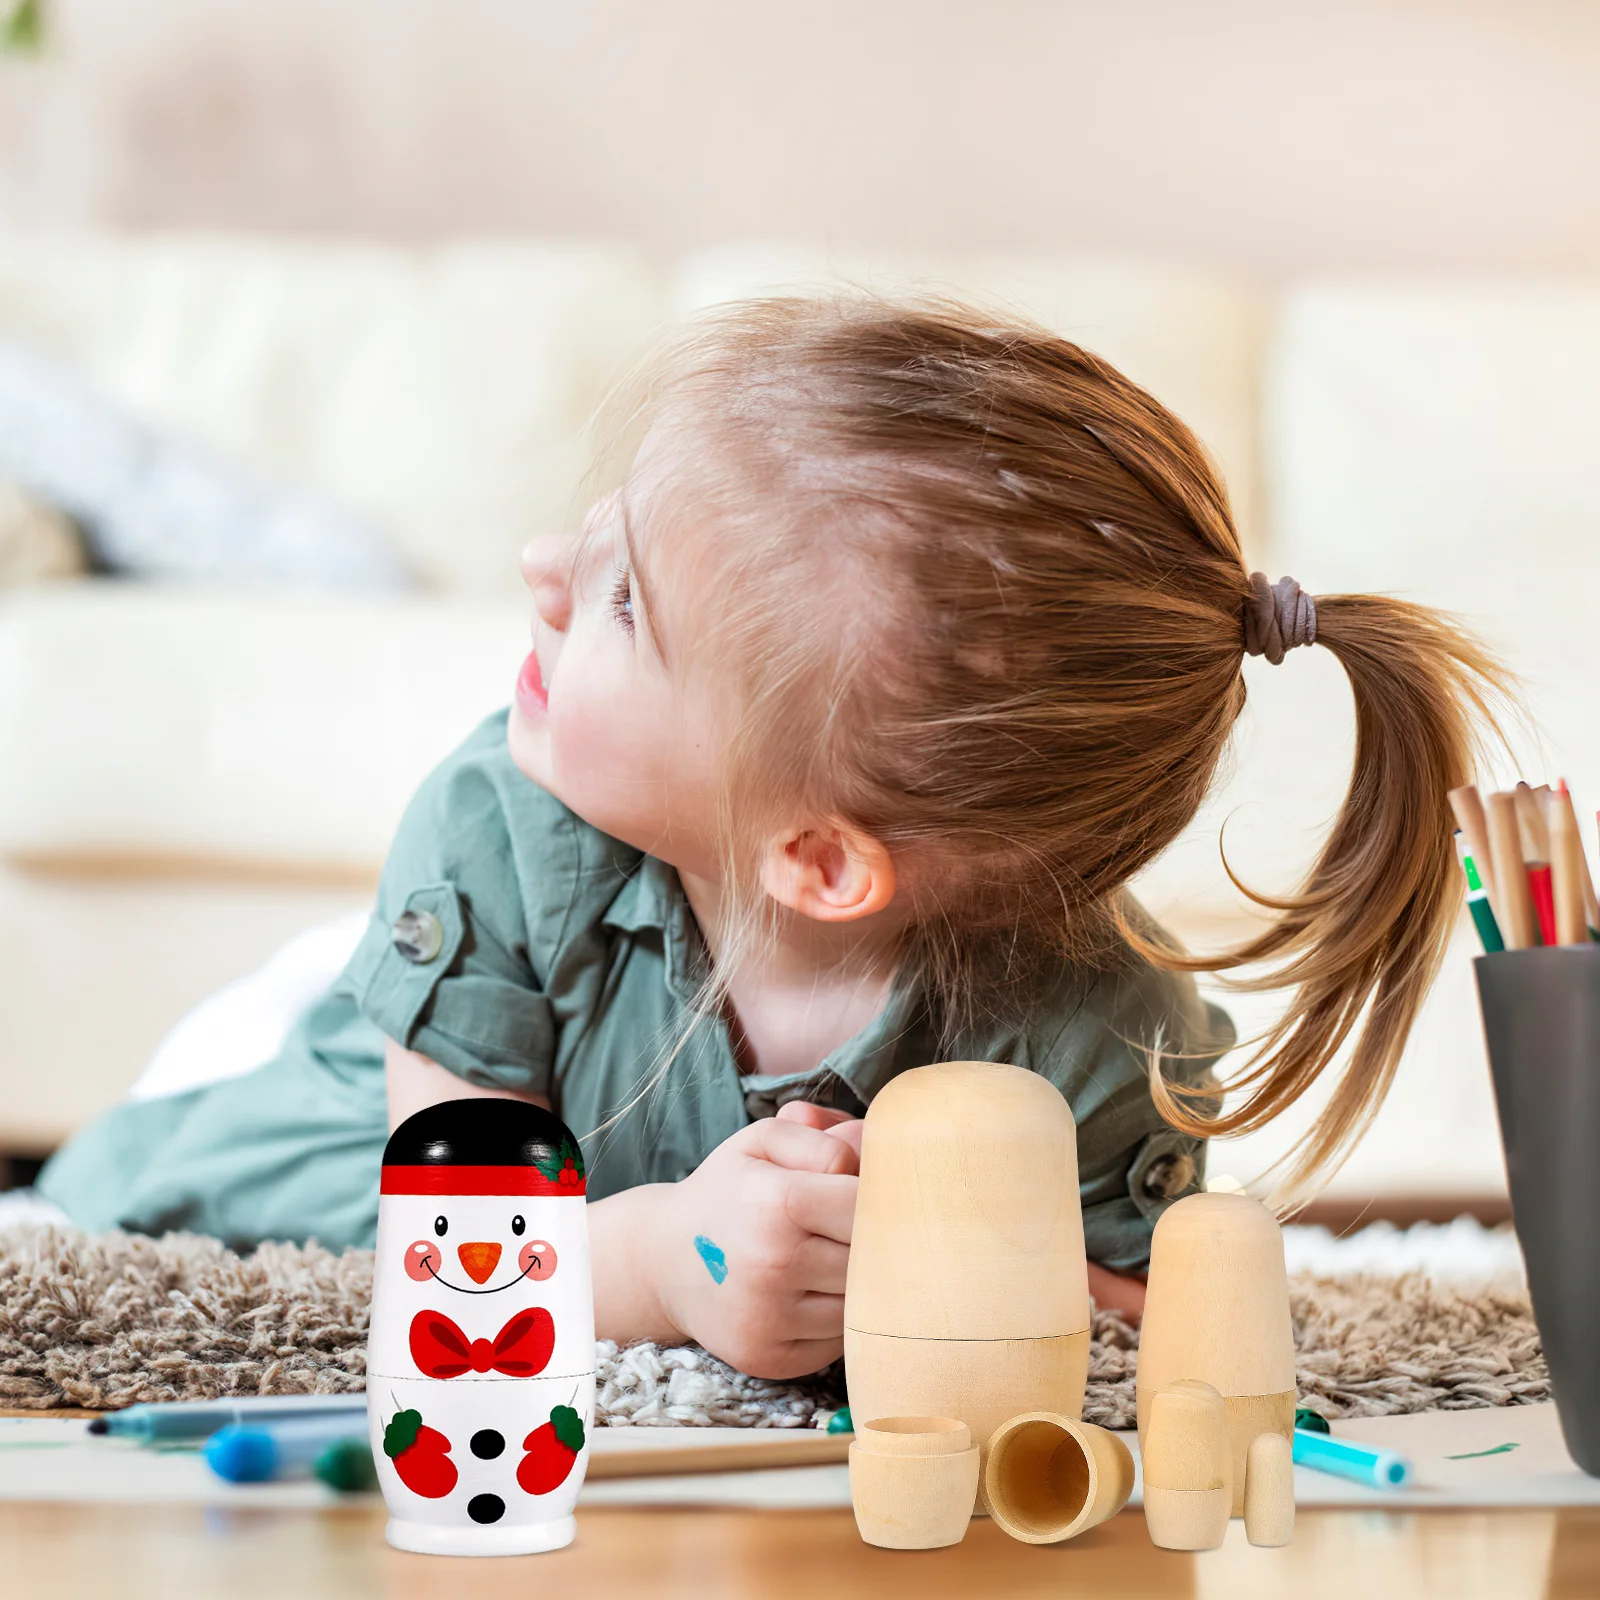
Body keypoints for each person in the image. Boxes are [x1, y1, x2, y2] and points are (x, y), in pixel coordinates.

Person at [40, 296, 1500, 1380]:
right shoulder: (493, 827)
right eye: (605, 529)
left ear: (819, 861)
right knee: (109, 1195)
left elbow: (1137, 1324)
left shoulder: (1104, 1034)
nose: (543, 567)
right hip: (363, 1110)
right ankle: (322, 990)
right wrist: (659, 1264)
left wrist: (915, 1265)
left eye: (626, 605)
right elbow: (444, 1255)